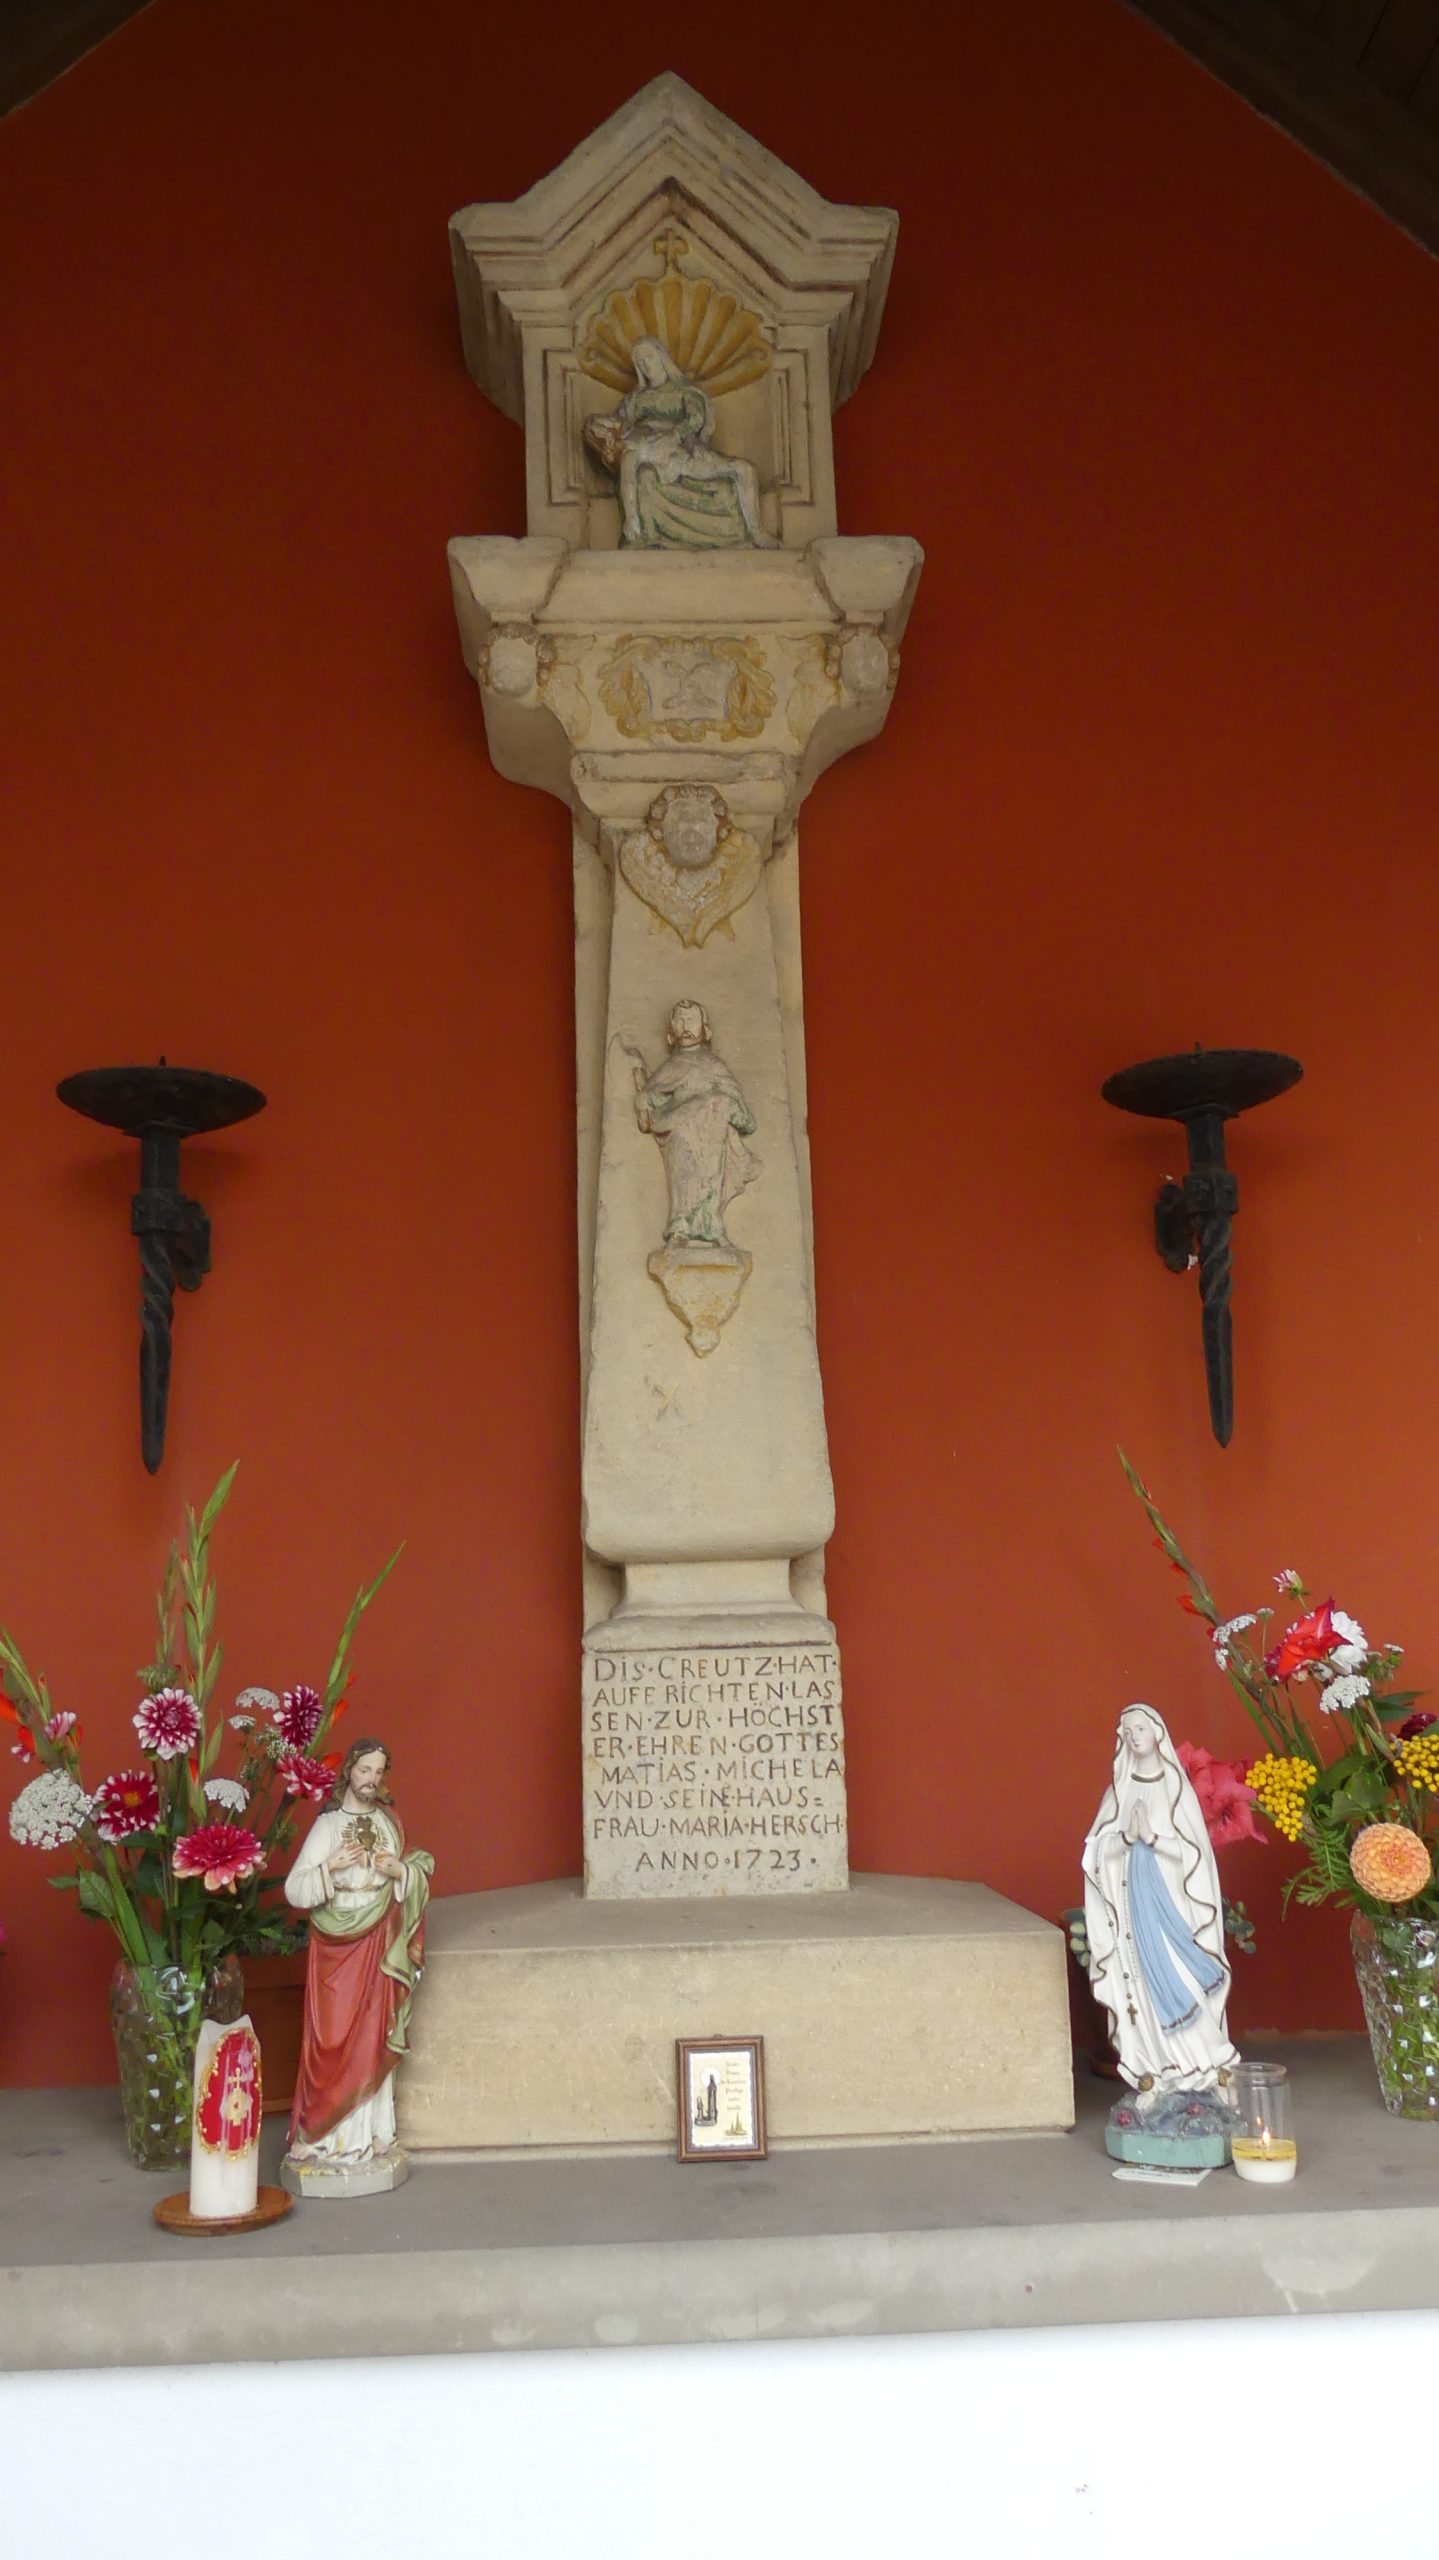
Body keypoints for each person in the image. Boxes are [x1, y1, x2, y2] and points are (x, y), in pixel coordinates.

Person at [283, 1738, 432, 2189]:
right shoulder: (328, 1826)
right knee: (332, 2037)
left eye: (379, 1771)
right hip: (336, 1945)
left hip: (378, 1942)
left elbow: (414, 1872)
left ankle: (369, 2132)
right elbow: (294, 1889)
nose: (371, 1779)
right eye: (365, 1769)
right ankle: (323, 2134)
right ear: (349, 1770)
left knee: (373, 2031)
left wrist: (400, 1872)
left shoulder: (388, 1823)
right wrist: (329, 1867)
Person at [1082, 1703, 1238, 2095]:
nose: (1134, 1736)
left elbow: (1194, 1855)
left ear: (1157, 1732)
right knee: (1144, 1988)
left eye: (1140, 1728)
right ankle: (1159, 2074)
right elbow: (1095, 1850)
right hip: (1133, 1909)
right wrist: (1125, 1838)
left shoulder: (1175, 1789)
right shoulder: (1118, 1791)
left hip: (1173, 1907)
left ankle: (1208, 2063)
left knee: (1183, 1975)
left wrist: (1152, 1838)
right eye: (1127, 1731)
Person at [586, 336, 776, 549]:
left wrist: (675, 435)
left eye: (649, 357)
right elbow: (619, 428)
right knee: (645, 476)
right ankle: (645, 537)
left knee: (744, 469)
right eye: (640, 362)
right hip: (654, 458)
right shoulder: (634, 400)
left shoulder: (684, 391)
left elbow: (696, 418)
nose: (646, 365)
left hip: (685, 449)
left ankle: (756, 531)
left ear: (661, 357)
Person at [633, 1001, 759, 1249]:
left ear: (704, 1028)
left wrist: (722, 1106)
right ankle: (679, 1229)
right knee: (683, 1178)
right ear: (672, 1029)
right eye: (680, 1021)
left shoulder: (714, 1065)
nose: (685, 1026)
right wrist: (644, 1100)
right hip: (678, 1132)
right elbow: (653, 1096)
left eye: (691, 1020)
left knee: (711, 1178)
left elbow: (739, 1109)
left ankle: (714, 1229)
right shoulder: (671, 1066)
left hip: (711, 1133)